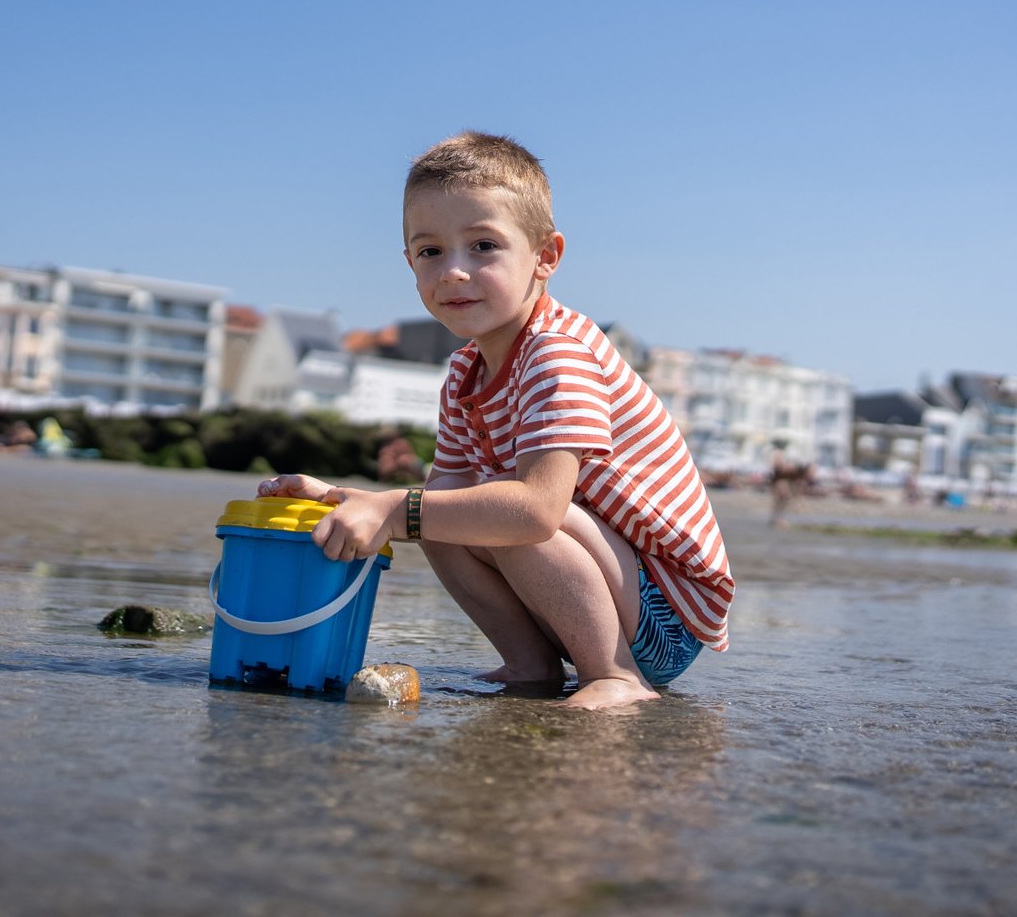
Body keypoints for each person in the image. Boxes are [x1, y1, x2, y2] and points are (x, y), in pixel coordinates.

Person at [259, 131, 733, 710]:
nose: (454, 271)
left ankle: (614, 675)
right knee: (437, 511)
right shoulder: (464, 372)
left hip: (665, 616)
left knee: (502, 511)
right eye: (431, 252)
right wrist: (355, 499)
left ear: (545, 256)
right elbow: (442, 498)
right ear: (409, 263)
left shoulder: (559, 352)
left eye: (483, 246)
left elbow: (536, 511)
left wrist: (395, 507)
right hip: (589, 591)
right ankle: (530, 663)